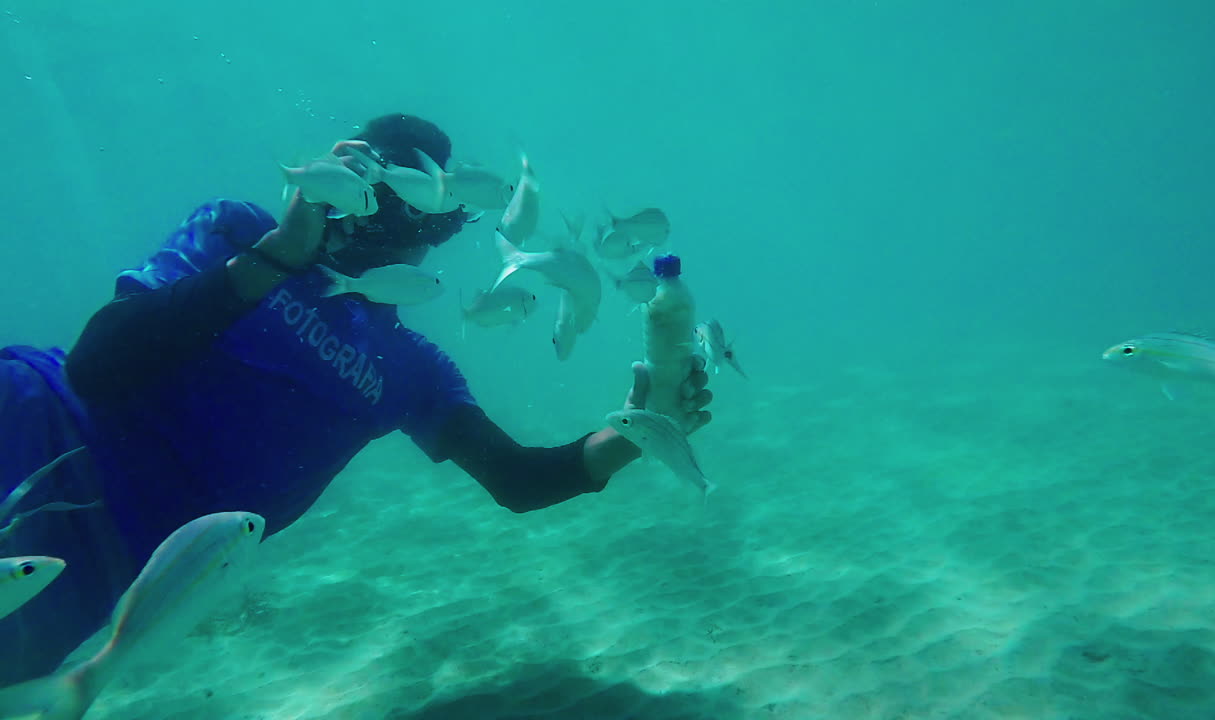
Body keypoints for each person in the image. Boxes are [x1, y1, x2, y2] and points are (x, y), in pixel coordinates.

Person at [0, 113, 712, 685]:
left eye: (410, 193)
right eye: (371, 175)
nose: (384, 209)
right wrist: (280, 254)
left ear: (440, 217)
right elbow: (98, 367)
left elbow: (518, 480)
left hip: (103, 568)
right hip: (31, 425)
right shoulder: (237, 235)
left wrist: (644, 431)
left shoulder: (408, 368)